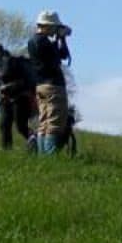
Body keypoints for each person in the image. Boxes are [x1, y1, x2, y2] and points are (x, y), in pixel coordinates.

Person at [25, 10, 72, 155]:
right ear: (48, 26)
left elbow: (60, 55)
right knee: (54, 122)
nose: (55, 30)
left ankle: (42, 156)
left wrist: (60, 39)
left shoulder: (33, 41)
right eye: (54, 27)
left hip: (40, 86)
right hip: (53, 86)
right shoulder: (44, 42)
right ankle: (50, 156)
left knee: (43, 122)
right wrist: (61, 38)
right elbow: (61, 57)